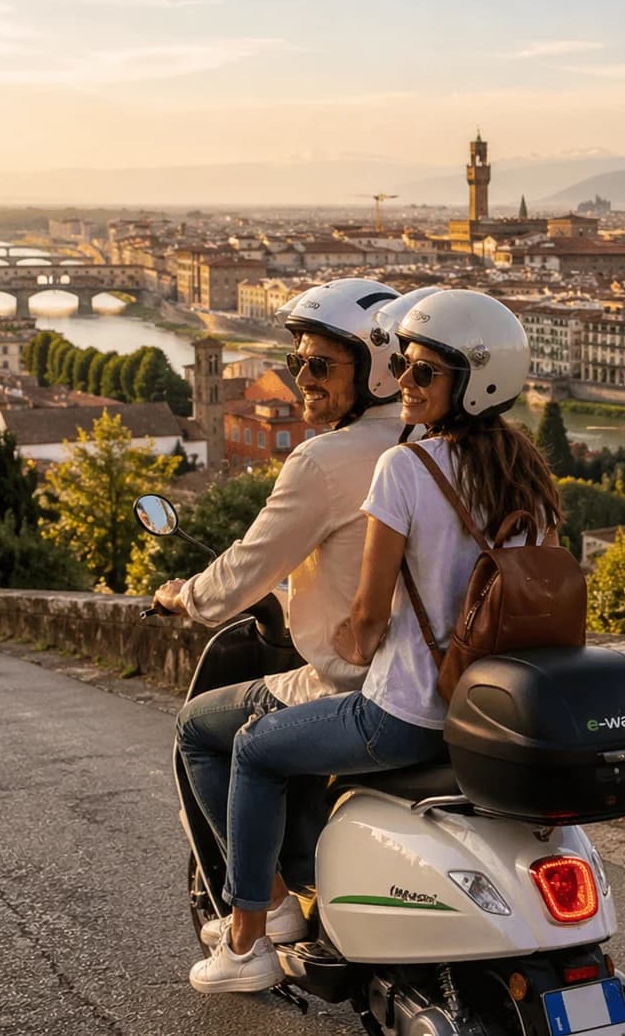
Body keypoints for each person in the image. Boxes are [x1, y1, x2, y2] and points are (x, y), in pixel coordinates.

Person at [190, 288, 561, 995]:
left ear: (469, 384)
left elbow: (364, 627)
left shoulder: (406, 469)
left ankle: (249, 941)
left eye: (424, 373)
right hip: (484, 709)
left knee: (253, 746)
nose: (405, 384)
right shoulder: (526, 475)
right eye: (405, 369)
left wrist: (347, 640)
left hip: (401, 715)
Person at [153, 278, 404, 989]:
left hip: (355, 679)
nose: (302, 378)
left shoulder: (326, 460)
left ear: (377, 368)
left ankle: (257, 921)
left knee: (202, 730)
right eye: (298, 362)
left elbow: (246, 571)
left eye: (320, 364)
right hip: (422, 674)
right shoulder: (434, 444)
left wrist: (185, 599)